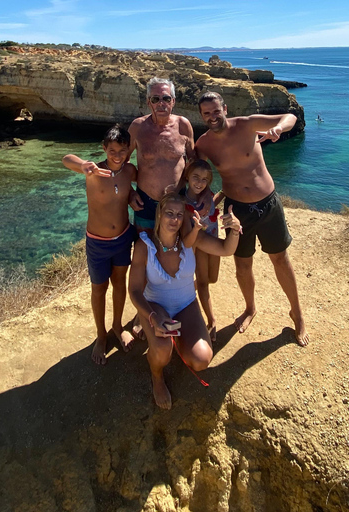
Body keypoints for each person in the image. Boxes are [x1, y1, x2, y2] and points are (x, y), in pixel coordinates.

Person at [195, 91, 309, 346]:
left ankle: (297, 313)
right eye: (207, 114)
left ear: (224, 108)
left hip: (268, 204)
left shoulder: (247, 124)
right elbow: (197, 175)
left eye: (216, 111)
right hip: (236, 211)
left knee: (280, 259)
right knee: (242, 265)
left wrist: (278, 128)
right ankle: (250, 308)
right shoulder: (203, 145)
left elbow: (289, 116)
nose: (213, 117)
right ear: (202, 117)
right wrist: (199, 202)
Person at [129, 191, 242, 409]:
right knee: (162, 350)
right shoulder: (144, 246)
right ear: (159, 214)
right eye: (169, 213)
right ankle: (157, 375)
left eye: (179, 215)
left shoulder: (192, 241)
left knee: (201, 359)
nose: (174, 219)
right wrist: (152, 316)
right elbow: (134, 291)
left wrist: (234, 230)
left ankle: (177, 339)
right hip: (155, 307)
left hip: (186, 306)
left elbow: (226, 250)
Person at [62, 124, 137, 365]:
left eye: (122, 151)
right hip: (98, 243)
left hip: (124, 238)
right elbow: (66, 159)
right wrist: (83, 165)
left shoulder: (130, 171)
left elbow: (138, 185)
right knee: (98, 289)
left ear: (128, 151)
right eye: (112, 150)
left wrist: (133, 194)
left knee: (119, 283)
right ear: (104, 149)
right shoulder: (93, 171)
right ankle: (101, 335)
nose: (117, 156)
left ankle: (117, 326)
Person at [128, 77, 195, 233]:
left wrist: (202, 194)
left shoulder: (183, 125)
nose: (161, 103)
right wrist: (129, 192)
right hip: (145, 202)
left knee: (178, 251)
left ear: (173, 101)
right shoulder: (138, 127)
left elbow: (195, 164)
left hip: (177, 202)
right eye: (155, 99)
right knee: (145, 250)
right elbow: (121, 164)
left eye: (166, 98)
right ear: (148, 102)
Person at [183, 159, 223, 341]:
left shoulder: (208, 195)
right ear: (187, 176)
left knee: (213, 278)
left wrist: (223, 194)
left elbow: (214, 202)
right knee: (204, 282)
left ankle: (192, 286)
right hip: (199, 245)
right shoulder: (183, 202)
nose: (199, 183)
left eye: (204, 179)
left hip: (214, 240)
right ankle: (211, 320)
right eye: (195, 177)